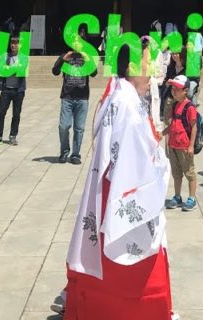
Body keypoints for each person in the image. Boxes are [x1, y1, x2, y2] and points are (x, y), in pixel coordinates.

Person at [58, 43, 177, 320]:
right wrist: (159, 162)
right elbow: (134, 155)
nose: (152, 74)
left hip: (111, 188)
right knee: (128, 264)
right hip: (125, 189)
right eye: (147, 66)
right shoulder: (126, 103)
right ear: (131, 68)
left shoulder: (118, 94)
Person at [53, 35, 98, 164]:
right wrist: (63, 59)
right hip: (67, 97)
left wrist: (88, 60)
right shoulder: (65, 56)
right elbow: (55, 71)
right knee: (64, 126)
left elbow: (94, 73)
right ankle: (64, 152)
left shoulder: (86, 57)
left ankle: (76, 154)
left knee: (79, 128)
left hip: (82, 98)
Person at [164, 75, 198, 212]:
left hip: (184, 146)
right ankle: (177, 196)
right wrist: (162, 133)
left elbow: (194, 127)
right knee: (176, 173)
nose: (173, 91)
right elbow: (172, 124)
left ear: (185, 90)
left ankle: (192, 198)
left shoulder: (189, 107)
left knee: (189, 173)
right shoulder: (174, 105)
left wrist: (191, 146)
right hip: (173, 145)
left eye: (177, 89)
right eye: (173, 88)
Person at [0, 36, 26, 146]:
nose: (13, 45)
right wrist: (14, 68)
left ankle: (13, 136)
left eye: (16, 43)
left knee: (16, 114)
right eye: (12, 43)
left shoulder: (24, 57)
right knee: (1, 113)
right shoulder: (4, 56)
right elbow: (1, 71)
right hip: (6, 89)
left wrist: (9, 69)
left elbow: (21, 71)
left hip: (18, 90)